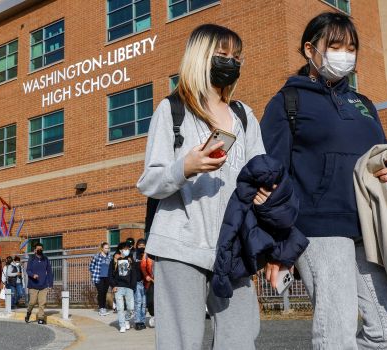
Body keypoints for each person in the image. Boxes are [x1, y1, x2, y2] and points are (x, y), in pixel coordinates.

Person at [260, 12, 387, 349]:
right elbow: (271, 176)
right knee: (337, 330)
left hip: (369, 228)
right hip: (318, 229)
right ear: (309, 49)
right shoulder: (288, 101)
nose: (344, 53)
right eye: (334, 45)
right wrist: (279, 245)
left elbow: (379, 158)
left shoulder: (364, 104)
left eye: (351, 47)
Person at [137, 24, 271, 350]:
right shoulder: (172, 111)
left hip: (233, 245)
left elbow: (260, 171)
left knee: (240, 338)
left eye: (236, 57)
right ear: (200, 57)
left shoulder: (244, 115)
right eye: (222, 55)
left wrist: (264, 191)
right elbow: (149, 182)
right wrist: (186, 167)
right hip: (180, 246)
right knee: (180, 342)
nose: (231, 62)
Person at [109, 242, 137, 333]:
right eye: (125, 249)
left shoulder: (130, 260)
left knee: (131, 308)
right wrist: (113, 285)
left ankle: (126, 320)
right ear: (120, 250)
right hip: (118, 287)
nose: (127, 250)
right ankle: (122, 325)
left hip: (129, 287)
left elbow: (134, 274)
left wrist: (132, 286)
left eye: (128, 249)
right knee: (120, 308)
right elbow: (110, 275)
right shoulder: (114, 260)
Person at [25, 243, 53, 325]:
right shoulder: (31, 259)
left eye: (41, 249)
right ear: (35, 250)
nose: (40, 250)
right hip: (33, 285)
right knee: (32, 302)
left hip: (43, 285)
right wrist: (33, 275)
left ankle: (41, 318)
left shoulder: (45, 259)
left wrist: (50, 284)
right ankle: (28, 312)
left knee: (42, 302)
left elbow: (50, 272)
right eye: (38, 249)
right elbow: (28, 270)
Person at [88, 242, 111, 316]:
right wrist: (94, 272)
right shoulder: (97, 256)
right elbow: (91, 266)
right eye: (106, 248)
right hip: (98, 277)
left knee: (104, 292)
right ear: (102, 248)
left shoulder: (109, 256)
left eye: (108, 248)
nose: (107, 249)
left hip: (107, 277)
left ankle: (103, 307)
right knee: (100, 292)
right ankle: (101, 308)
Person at [133, 239, 147, 330]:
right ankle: (138, 321)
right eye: (140, 245)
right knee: (138, 302)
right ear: (137, 246)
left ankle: (143, 321)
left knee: (144, 303)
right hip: (137, 282)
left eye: (143, 245)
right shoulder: (134, 255)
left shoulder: (147, 255)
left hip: (146, 283)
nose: (141, 247)